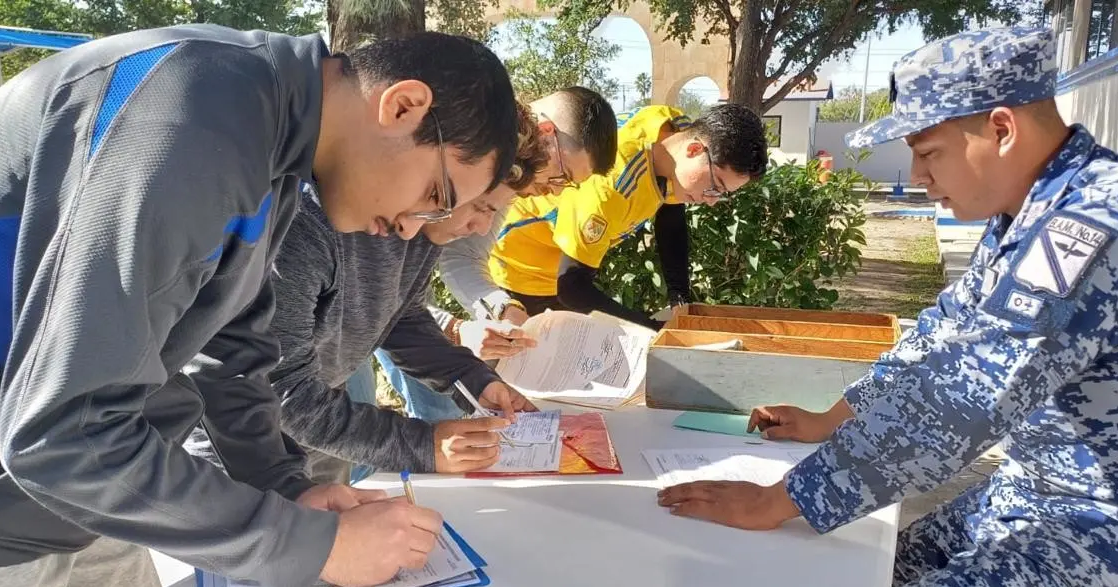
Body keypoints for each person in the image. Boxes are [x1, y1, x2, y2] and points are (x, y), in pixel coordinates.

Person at [656, 27, 1118, 587]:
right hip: (1039, 491)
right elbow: (943, 334)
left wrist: (777, 499)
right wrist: (832, 418)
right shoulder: (1027, 212)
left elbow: (965, 398)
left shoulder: (1105, 221)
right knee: (871, 568)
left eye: (929, 152)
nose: (917, 176)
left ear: (1001, 129)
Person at [0, 24, 519, 587]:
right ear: (403, 106)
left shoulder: (272, 145)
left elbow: (229, 349)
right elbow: (60, 432)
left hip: (77, 503)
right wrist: (307, 545)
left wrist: (286, 488)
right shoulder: (191, 116)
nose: (408, 229)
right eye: (436, 196)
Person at [186, 103, 547, 492]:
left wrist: (472, 378)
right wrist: (422, 445)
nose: (482, 227)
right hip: (237, 453)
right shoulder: (308, 225)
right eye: (480, 206)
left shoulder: (425, 230)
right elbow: (279, 386)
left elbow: (401, 318)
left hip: (324, 429)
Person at [391, 86, 620, 422]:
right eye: (563, 176)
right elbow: (376, 291)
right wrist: (453, 329)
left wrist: (501, 307)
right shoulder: (461, 150)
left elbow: (459, 258)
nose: (555, 190)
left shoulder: (508, 182)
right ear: (545, 134)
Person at [486, 102, 769, 329]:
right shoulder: (611, 187)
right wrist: (650, 328)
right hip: (522, 274)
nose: (711, 201)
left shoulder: (673, 130)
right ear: (695, 150)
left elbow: (670, 211)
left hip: (567, 273)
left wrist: (678, 297)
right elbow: (572, 288)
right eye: (714, 187)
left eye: (722, 194)